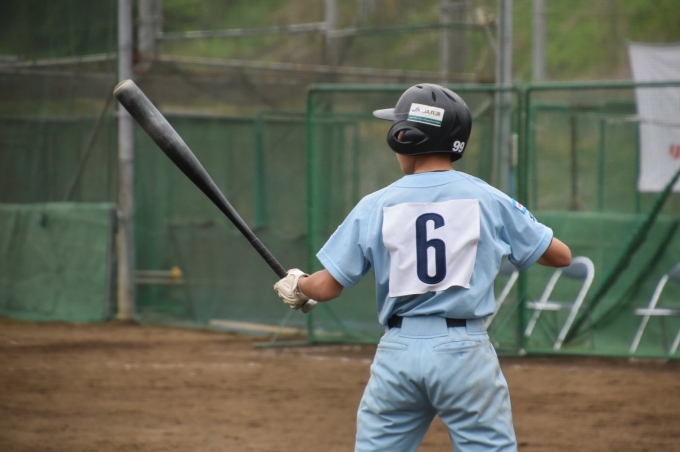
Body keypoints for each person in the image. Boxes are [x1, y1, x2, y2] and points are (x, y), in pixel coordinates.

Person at [274, 83, 571, 452]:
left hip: (397, 353)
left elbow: (327, 287)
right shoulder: (487, 197)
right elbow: (561, 256)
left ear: (406, 136)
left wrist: (300, 284)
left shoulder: (376, 204)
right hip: (464, 351)